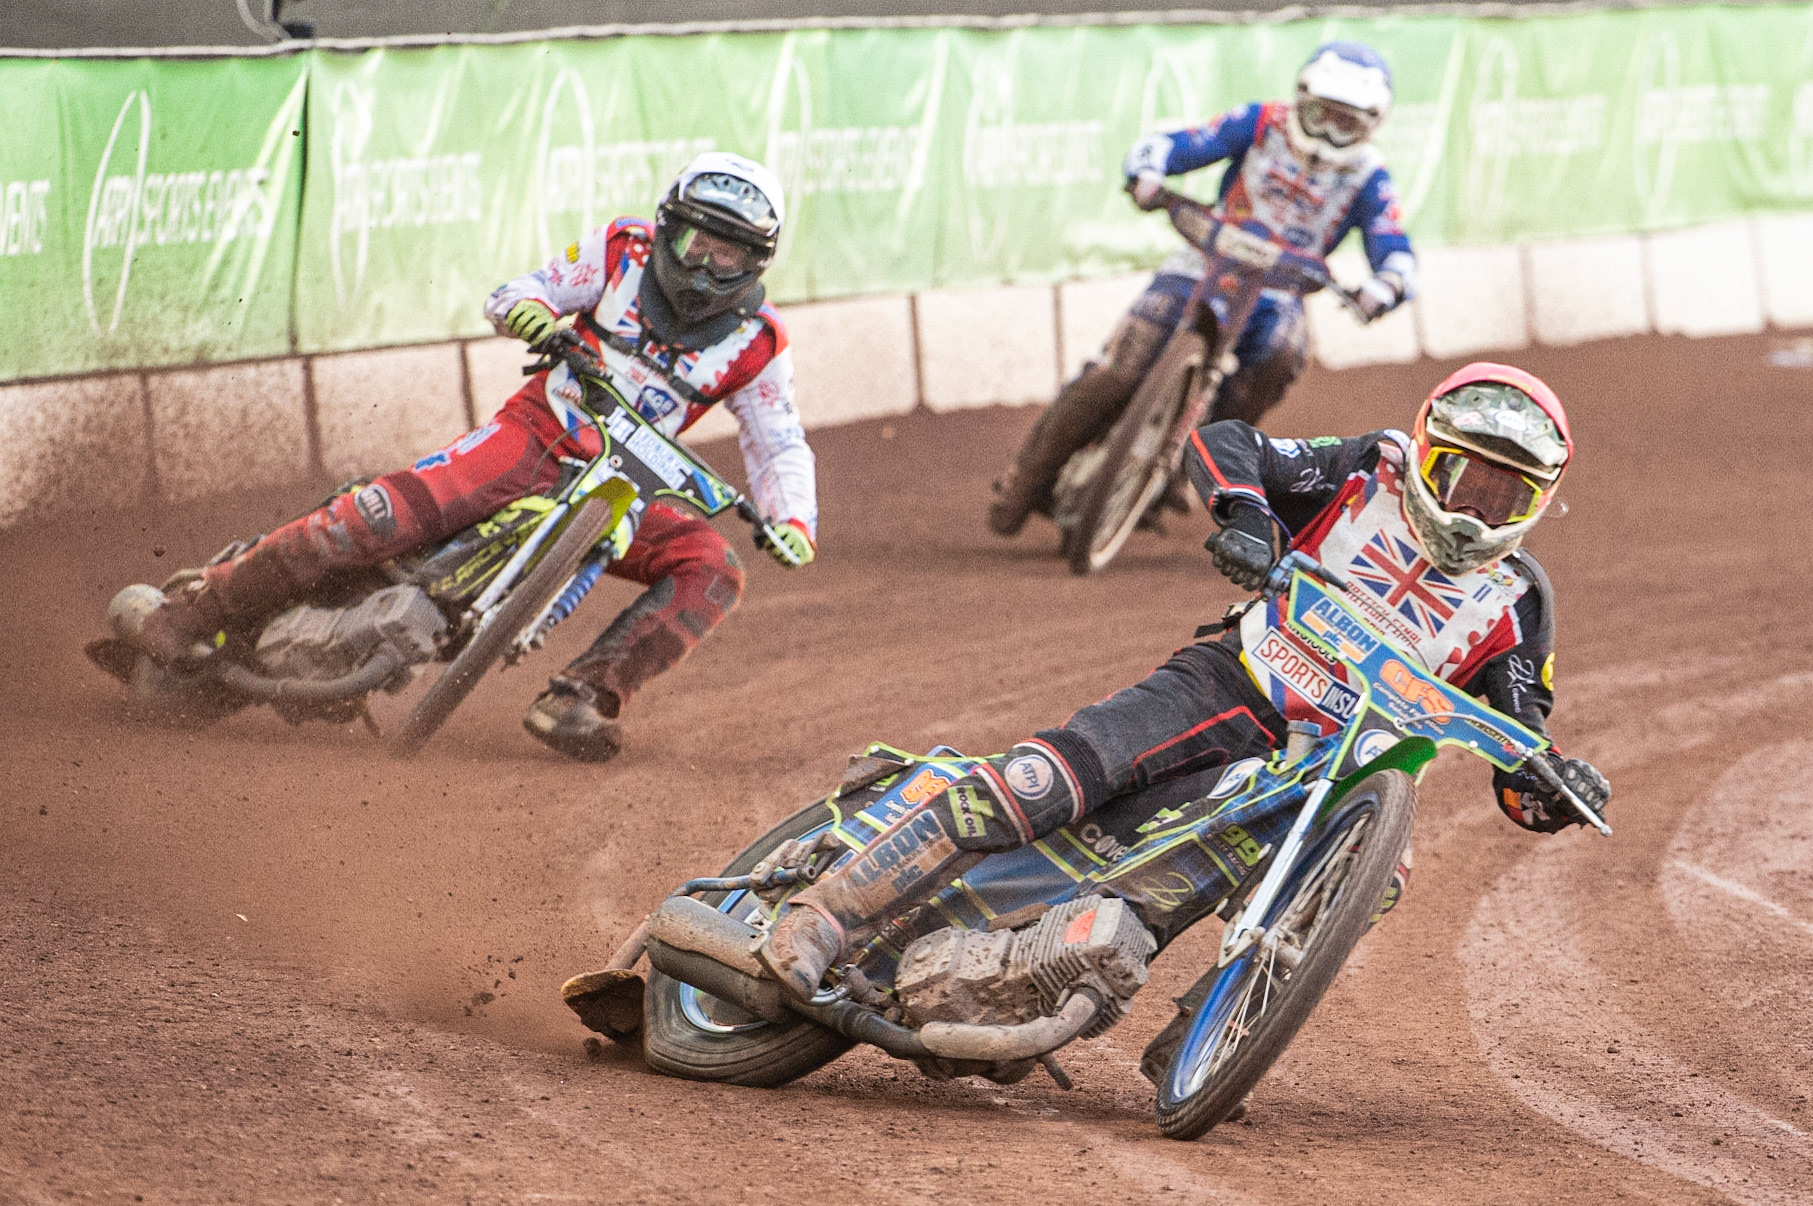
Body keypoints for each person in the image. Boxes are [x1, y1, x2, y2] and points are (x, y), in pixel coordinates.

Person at [760, 363, 1613, 1073]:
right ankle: (822, 914)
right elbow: (1226, 439)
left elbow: (1519, 749)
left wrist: (1555, 785)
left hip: (1331, 773)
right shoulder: (1367, 468)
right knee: (1043, 779)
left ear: (1541, 499)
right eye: (1464, 478)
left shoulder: (1517, 600)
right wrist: (1247, 515)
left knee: (1374, 877)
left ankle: (1210, 1034)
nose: (1476, 509)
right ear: (1428, 455)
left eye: (1507, 494)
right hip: (1232, 680)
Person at [121, 152, 818, 765]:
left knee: (715, 567)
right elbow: (519, 290)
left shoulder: (759, 340)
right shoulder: (621, 250)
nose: (704, 265)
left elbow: (777, 438)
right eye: (696, 242)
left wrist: (793, 519)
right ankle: (194, 611)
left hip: (627, 491)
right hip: (536, 437)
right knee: (374, 518)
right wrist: (530, 313)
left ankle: (583, 696)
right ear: (669, 229)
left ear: (754, 262)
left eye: (726, 254)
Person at [988, 40, 1418, 537]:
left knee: (1279, 359)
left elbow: (1392, 239)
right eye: (1320, 114)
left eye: (1346, 123)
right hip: (1203, 261)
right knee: (1118, 369)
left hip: (1278, 293)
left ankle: (1195, 461)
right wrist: (1150, 169)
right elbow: (1188, 142)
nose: (1327, 133)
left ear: (1372, 125)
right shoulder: (1261, 122)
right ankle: (1025, 478)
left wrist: (1387, 283)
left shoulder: (1370, 175)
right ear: (1300, 99)